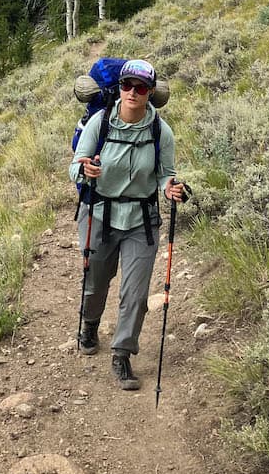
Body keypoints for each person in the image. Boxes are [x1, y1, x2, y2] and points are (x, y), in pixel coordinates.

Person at [69, 58, 188, 391]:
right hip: (99, 214)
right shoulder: (100, 123)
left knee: (135, 294)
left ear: (150, 93)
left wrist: (170, 188)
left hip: (141, 220)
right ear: (119, 88)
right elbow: (75, 165)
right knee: (95, 281)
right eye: (126, 86)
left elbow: (165, 174)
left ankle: (122, 353)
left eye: (140, 88)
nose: (133, 93)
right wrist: (84, 170)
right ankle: (90, 324)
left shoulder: (160, 131)